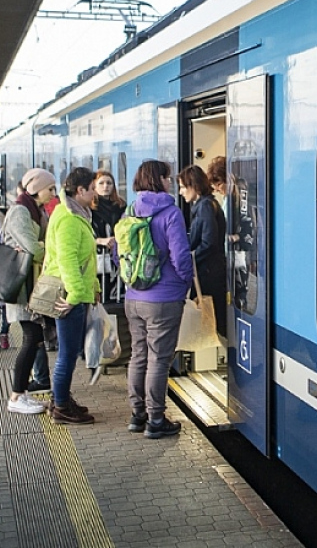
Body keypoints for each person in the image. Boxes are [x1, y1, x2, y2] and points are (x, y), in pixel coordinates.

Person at [121, 160, 193, 439]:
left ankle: (137, 415)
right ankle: (156, 419)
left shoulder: (130, 212)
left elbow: (120, 255)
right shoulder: (171, 213)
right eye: (167, 177)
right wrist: (184, 282)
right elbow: (180, 256)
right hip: (164, 298)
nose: (170, 182)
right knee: (159, 359)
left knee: (138, 355)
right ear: (160, 180)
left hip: (133, 297)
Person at [42, 167, 100, 425]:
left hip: (74, 292)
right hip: (68, 295)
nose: (96, 192)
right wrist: (77, 294)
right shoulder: (68, 218)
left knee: (69, 351)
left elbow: (85, 259)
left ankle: (61, 398)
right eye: (93, 187)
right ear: (81, 190)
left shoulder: (73, 213)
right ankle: (61, 406)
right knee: (68, 353)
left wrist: (94, 286)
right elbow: (67, 260)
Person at [3, 168, 56, 416]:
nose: (53, 193)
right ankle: (16, 396)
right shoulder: (20, 212)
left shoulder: (35, 211)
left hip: (31, 285)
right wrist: (50, 248)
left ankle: (21, 393)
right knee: (30, 339)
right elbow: (34, 248)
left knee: (33, 339)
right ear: (35, 188)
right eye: (50, 188)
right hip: (20, 285)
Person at [177, 165, 227, 336]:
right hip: (209, 270)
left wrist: (189, 260)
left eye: (183, 187)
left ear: (194, 185)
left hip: (209, 272)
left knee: (214, 320)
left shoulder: (205, 206)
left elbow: (209, 242)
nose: (181, 192)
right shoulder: (203, 205)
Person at [91, 169, 126, 304]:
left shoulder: (120, 206)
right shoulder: (90, 208)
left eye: (109, 183)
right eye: (101, 183)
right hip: (97, 255)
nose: (105, 186)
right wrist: (101, 240)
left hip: (116, 254)